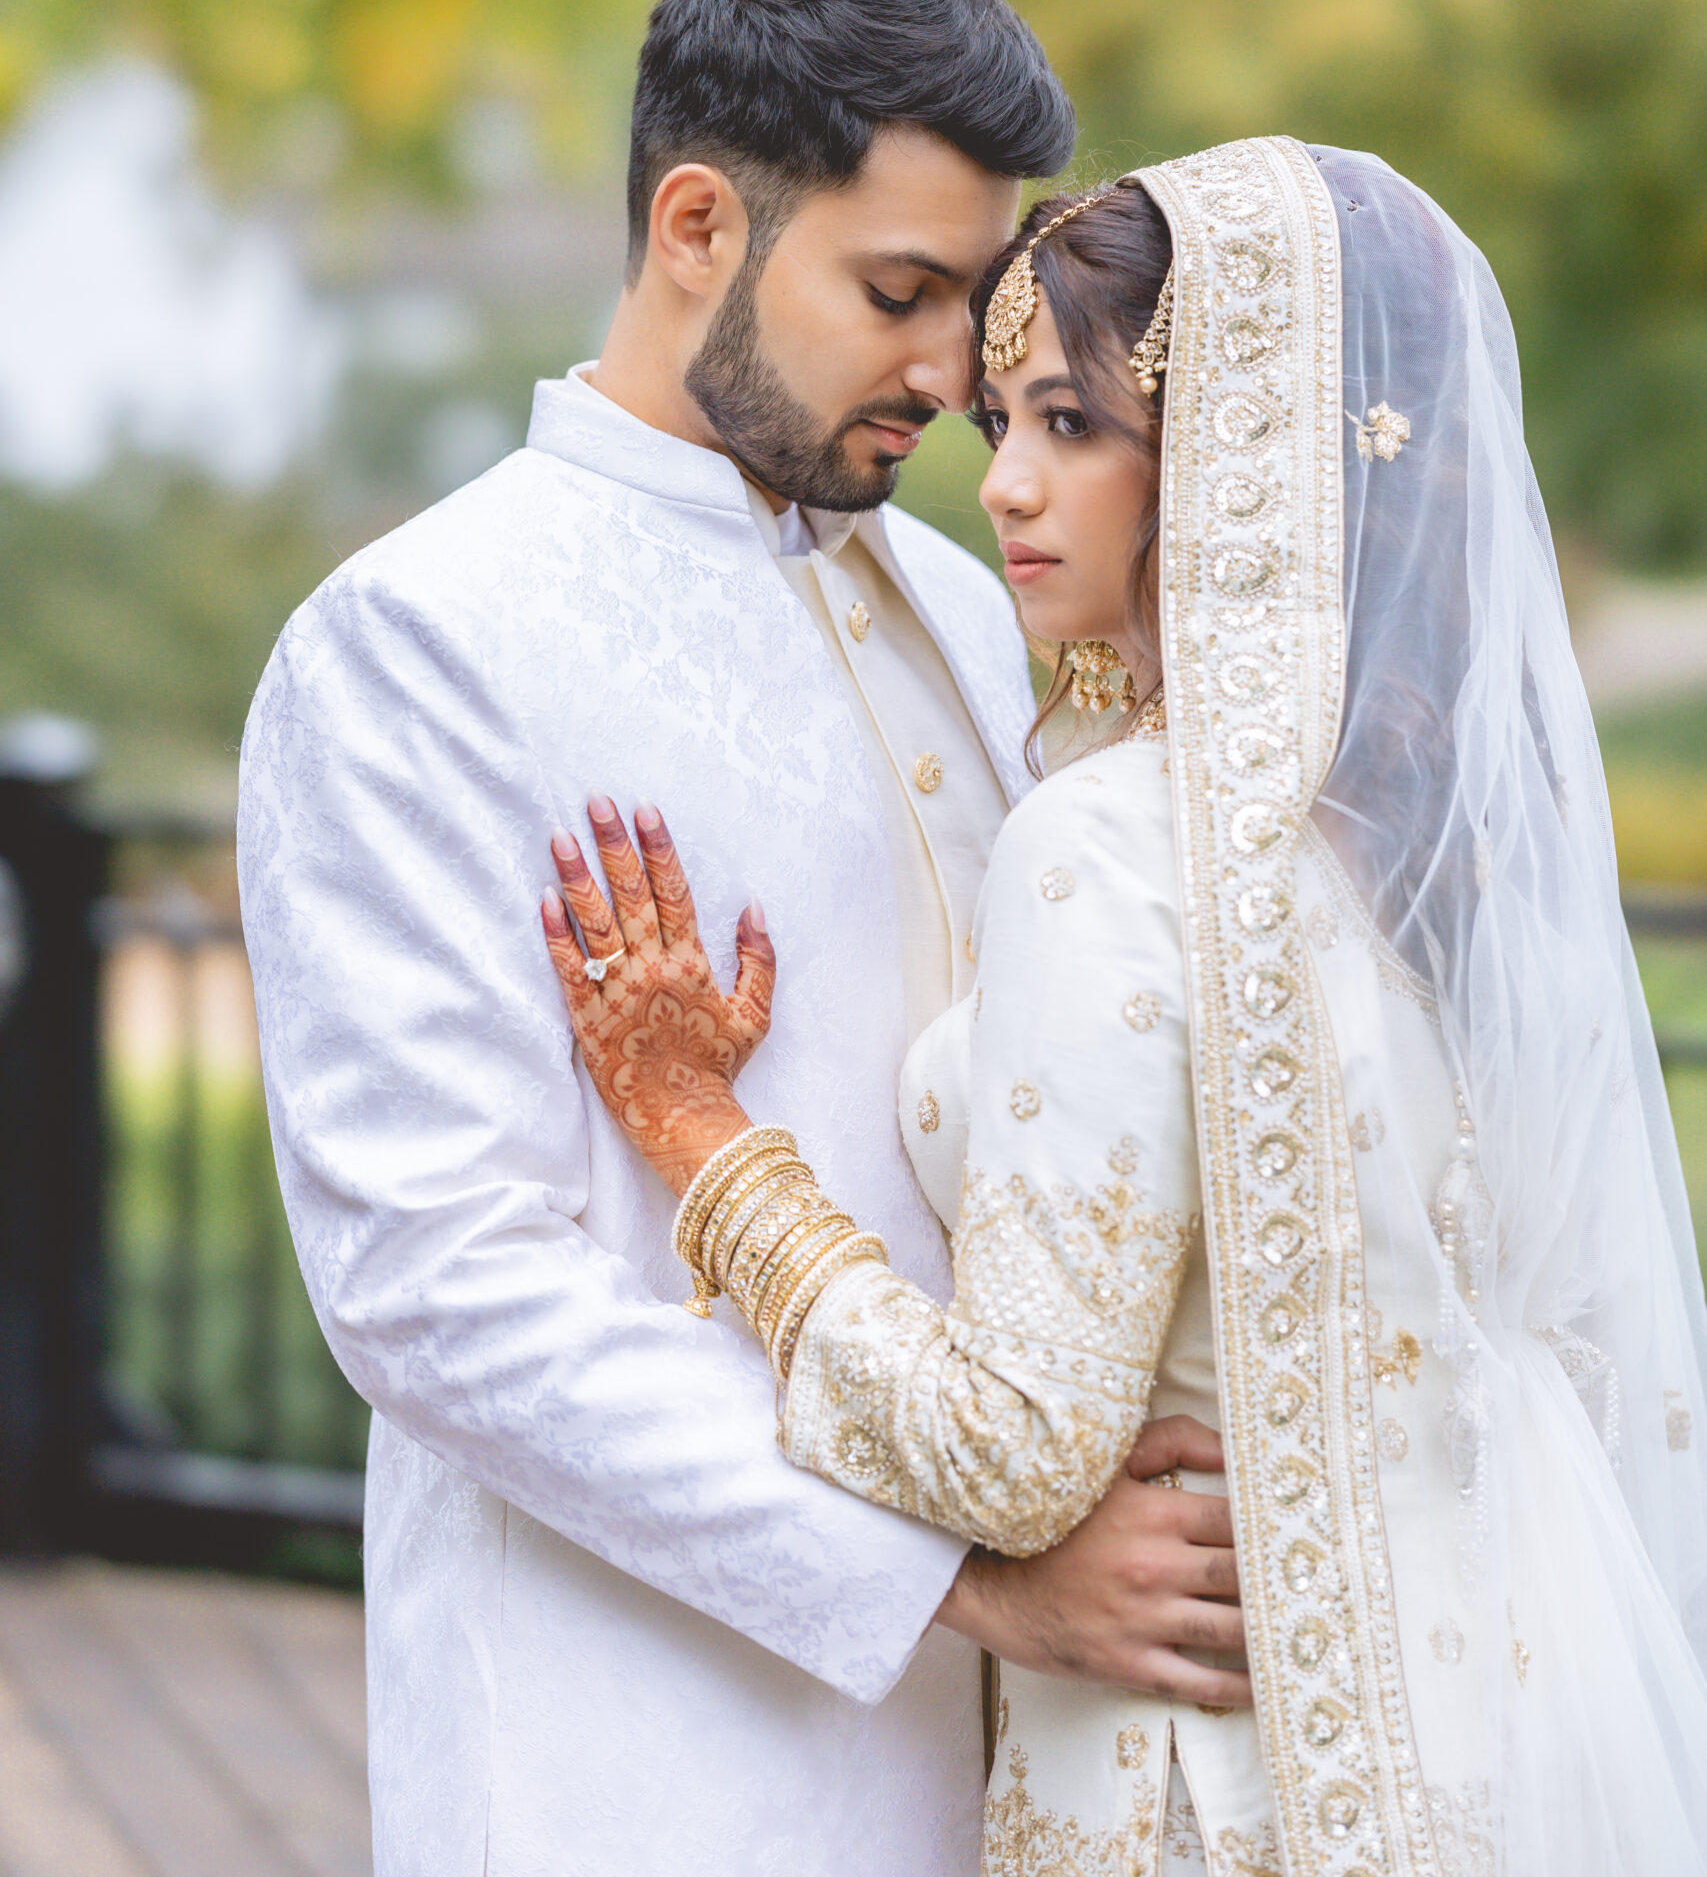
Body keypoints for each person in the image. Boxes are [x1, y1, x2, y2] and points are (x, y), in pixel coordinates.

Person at [546, 136, 1707, 1876]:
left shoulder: (1113, 843)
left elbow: (1011, 1449)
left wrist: (706, 1145)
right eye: (999, 423)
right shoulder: (1412, 852)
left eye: (1075, 425)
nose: (1005, 486)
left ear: (1244, 457)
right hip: (1472, 1738)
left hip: (1197, 1785)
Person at [238, 0, 1248, 1877]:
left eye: (974, 301)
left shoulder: (966, 605)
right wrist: (960, 1578)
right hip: (634, 1746)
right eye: (898, 291)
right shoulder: (418, 640)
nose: (955, 372)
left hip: (1040, 1739)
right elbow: (437, 1281)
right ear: (698, 222)